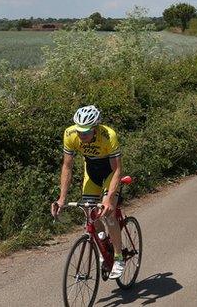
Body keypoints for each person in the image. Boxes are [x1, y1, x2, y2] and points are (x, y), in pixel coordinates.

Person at [51, 105, 126, 279]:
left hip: (109, 171)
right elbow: (67, 166)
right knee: (90, 211)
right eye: (79, 131)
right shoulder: (70, 134)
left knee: (108, 214)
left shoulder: (109, 136)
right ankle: (101, 242)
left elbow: (117, 170)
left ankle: (118, 256)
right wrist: (62, 198)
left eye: (85, 132)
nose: (81, 135)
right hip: (91, 170)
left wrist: (108, 200)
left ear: (96, 128)